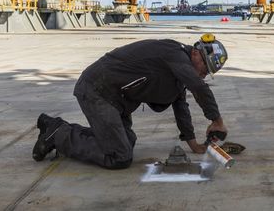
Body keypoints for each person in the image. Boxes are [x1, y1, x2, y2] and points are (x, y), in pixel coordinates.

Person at [32, 34, 229, 169]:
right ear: (195, 52)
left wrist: (193, 145)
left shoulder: (180, 74)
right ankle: (58, 135)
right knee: (120, 157)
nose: (203, 75)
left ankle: (54, 127)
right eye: (204, 69)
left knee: (127, 142)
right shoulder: (174, 53)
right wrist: (217, 120)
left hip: (116, 102)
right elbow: (199, 88)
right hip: (97, 90)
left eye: (207, 74)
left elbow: (181, 107)